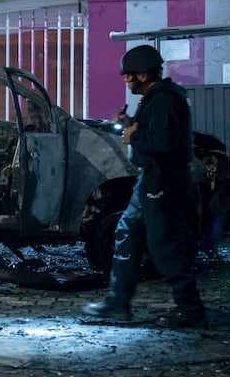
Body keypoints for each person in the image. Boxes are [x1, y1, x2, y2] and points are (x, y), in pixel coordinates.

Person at [82, 44, 207, 329]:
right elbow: (153, 131)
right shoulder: (157, 98)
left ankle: (191, 310)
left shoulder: (163, 100)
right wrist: (130, 124)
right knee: (126, 234)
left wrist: (132, 137)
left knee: (164, 246)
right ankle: (118, 304)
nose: (126, 80)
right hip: (149, 180)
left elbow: (163, 143)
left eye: (129, 75)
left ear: (143, 73)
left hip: (162, 181)